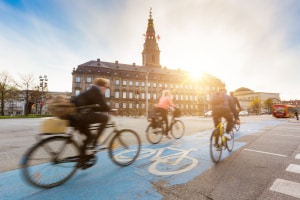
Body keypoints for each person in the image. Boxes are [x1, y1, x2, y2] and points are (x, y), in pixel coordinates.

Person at [70, 78, 111, 157]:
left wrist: (105, 109)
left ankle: (82, 157)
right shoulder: (96, 91)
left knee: (89, 137)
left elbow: (93, 107)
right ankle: (95, 144)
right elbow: (104, 106)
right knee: (105, 118)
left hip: (76, 116)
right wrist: (111, 110)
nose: (106, 90)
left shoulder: (92, 89)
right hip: (81, 116)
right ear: (102, 86)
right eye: (106, 88)